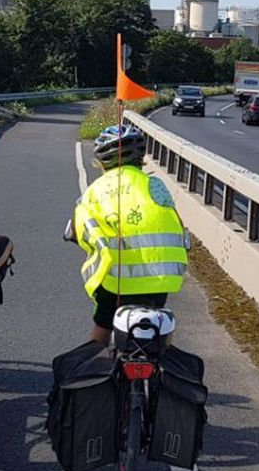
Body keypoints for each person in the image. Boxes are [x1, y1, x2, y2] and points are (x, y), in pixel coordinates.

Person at [68, 128, 188, 345]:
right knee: (159, 323)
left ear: (102, 162)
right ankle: (163, 363)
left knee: (102, 324)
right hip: (161, 278)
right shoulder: (155, 185)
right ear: (140, 159)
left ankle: (97, 362)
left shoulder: (94, 191)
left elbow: (78, 228)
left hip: (115, 281)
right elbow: (176, 222)